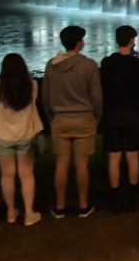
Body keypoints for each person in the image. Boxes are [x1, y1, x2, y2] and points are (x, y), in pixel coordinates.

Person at [42, 25, 103, 219]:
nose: (84, 42)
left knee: (61, 164)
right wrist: (97, 115)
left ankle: (59, 207)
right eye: (82, 39)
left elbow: (46, 96)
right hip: (84, 119)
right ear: (78, 43)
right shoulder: (89, 65)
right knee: (82, 165)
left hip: (60, 119)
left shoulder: (52, 65)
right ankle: (83, 205)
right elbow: (96, 96)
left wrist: (51, 116)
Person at [0, 53, 44, 226]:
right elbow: (33, 100)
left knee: (6, 176)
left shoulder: (1, 88)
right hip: (26, 135)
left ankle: (11, 212)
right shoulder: (32, 85)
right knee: (27, 175)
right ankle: (29, 213)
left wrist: (0, 80)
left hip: (3, 136)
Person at [99, 25, 139, 212]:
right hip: (134, 113)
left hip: (113, 114)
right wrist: (136, 55)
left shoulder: (107, 62)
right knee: (133, 156)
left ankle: (115, 197)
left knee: (114, 157)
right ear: (132, 41)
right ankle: (133, 196)